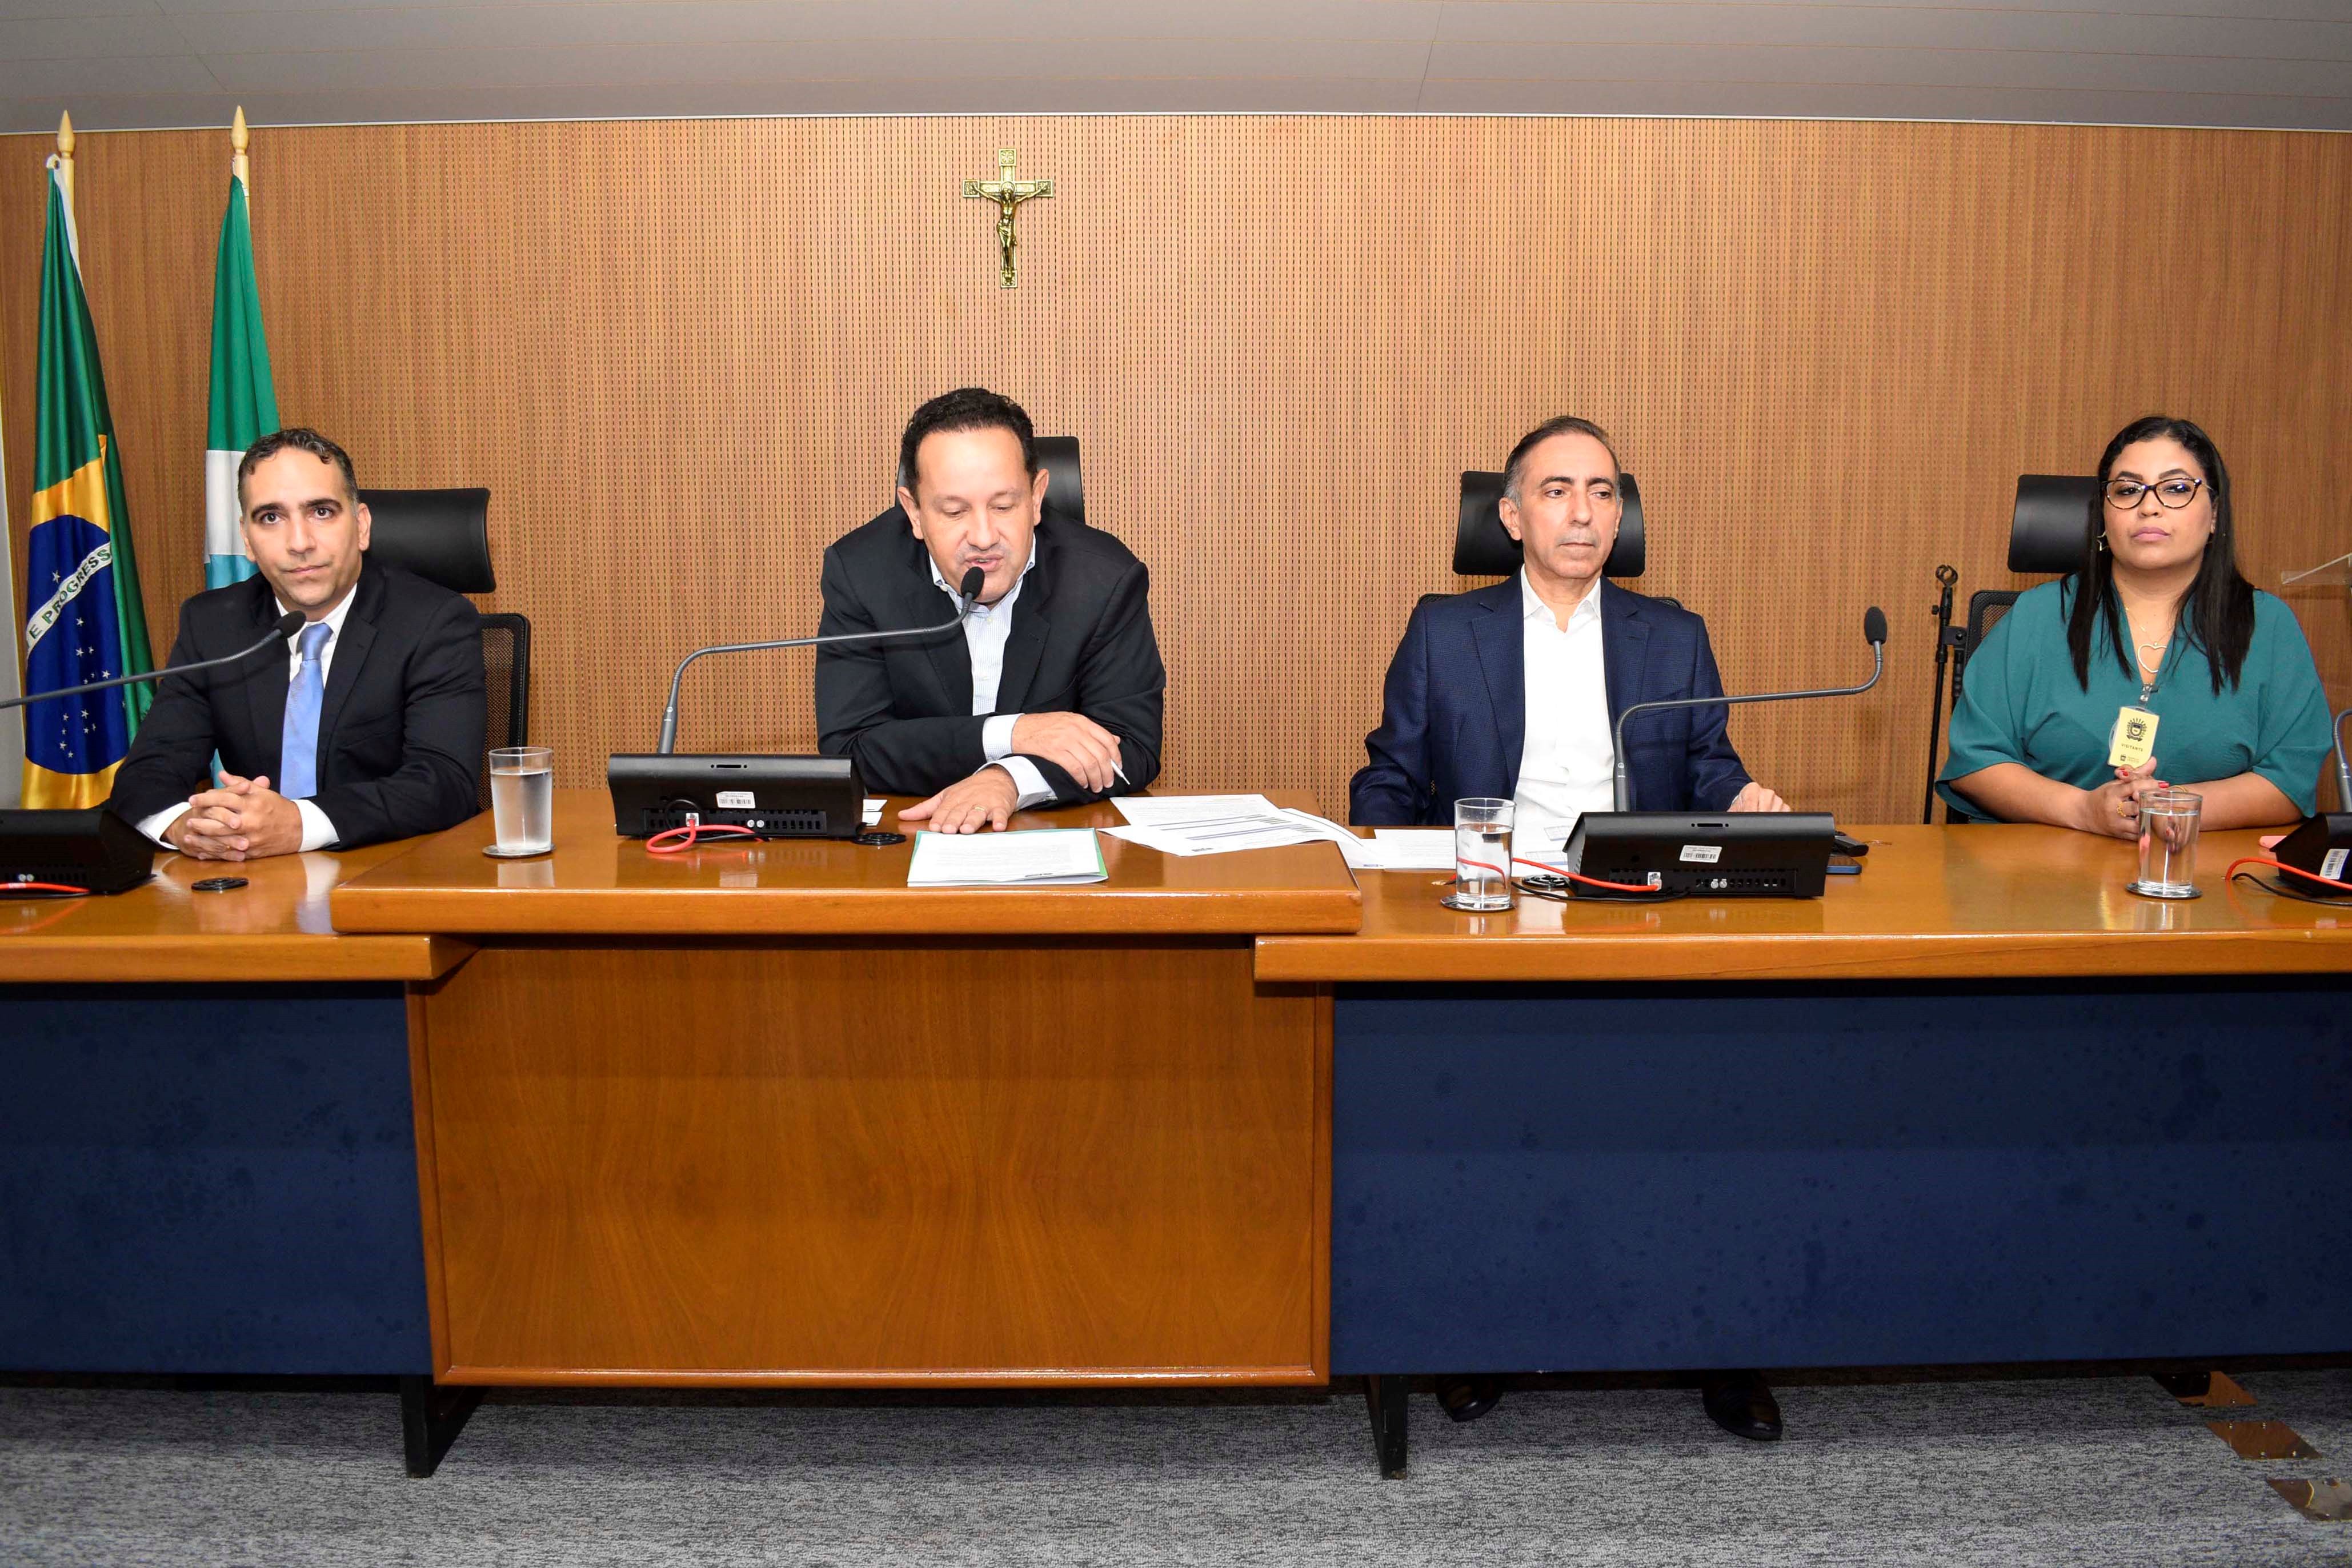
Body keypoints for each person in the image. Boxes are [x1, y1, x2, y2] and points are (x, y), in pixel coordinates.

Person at [1349, 414, 1789, 1442]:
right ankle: (1484, 1333)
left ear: (1621, 514)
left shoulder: (1670, 634)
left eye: (1601, 492)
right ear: (1509, 516)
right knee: (1490, 1134)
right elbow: (1388, 776)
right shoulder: (1443, 629)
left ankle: (1719, 1342)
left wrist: (1746, 798)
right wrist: (1387, 864)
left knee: (1713, 1118)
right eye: (1556, 490)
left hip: (1637, 913)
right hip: (1490, 915)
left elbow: (1710, 769)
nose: (1582, 512)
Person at [106, 428, 485, 859]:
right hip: (250, 877)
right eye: (271, 517)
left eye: (321, 512)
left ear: (361, 526)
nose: (300, 543)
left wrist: (300, 824)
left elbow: (443, 782)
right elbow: (148, 771)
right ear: (247, 540)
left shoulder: (434, 622)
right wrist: (187, 827)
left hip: (388, 869)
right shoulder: (214, 626)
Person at [1940, 416, 2330, 834]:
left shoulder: (2267, 625)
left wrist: (2170, 808)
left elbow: (2290, 778)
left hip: (2202, 867)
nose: (2149, 506)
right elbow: (1975, 761)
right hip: (2047, 865)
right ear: (2103, 515)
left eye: (2176, 488)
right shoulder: (2034, 617)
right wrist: (2083, 811)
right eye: (2127, 490)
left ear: (2215, 513)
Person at [816, 387, 1164, 832]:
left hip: (1049, 837)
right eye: (954, 511)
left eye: (1003, 506)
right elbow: (850, 746)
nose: (983, 537)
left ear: (1036, 497)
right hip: (908, 835)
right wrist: (1012, 733)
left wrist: (1010, 779)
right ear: (914, 512)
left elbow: (1131, 745)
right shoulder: (862, 574)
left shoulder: (1103, 579)